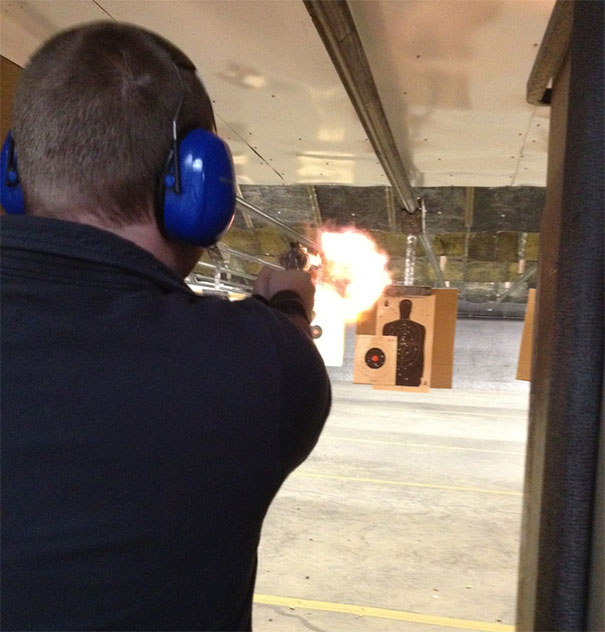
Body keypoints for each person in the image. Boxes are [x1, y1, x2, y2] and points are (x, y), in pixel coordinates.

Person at [0, 22, 331, 631]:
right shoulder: (264, 366)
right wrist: (289, 303)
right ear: (199, 184)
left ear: (15, 169)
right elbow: (282, 335)